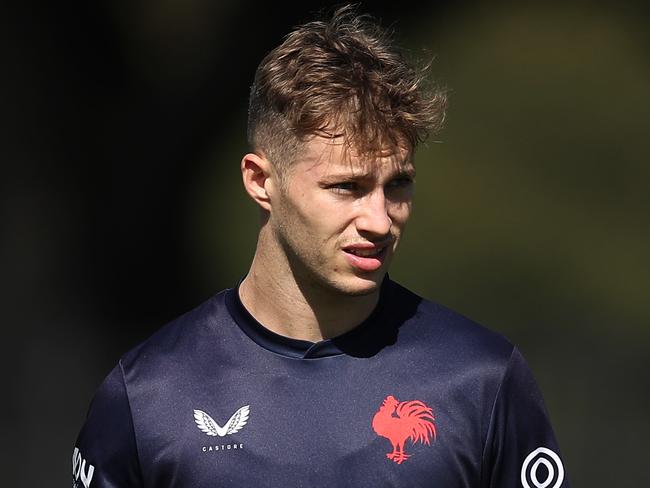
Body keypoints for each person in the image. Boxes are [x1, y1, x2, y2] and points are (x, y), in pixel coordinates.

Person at [73, 6, 569, 488]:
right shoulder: (146, 396)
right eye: (345, 187)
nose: (379, 220)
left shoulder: (481, 379)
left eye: (397, 185)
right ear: (261, 180)